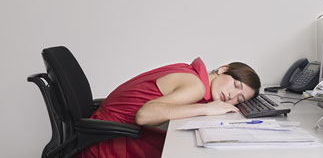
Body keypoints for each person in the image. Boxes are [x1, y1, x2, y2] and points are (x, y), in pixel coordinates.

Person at [76, 57, 261, 158]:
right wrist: (207, 109)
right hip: (107, 146)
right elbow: (144, 115)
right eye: (236, 86)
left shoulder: (189, 70)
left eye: (239, 98)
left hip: (104, 134)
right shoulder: (196, 86)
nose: (231, 96)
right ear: (223, 69)